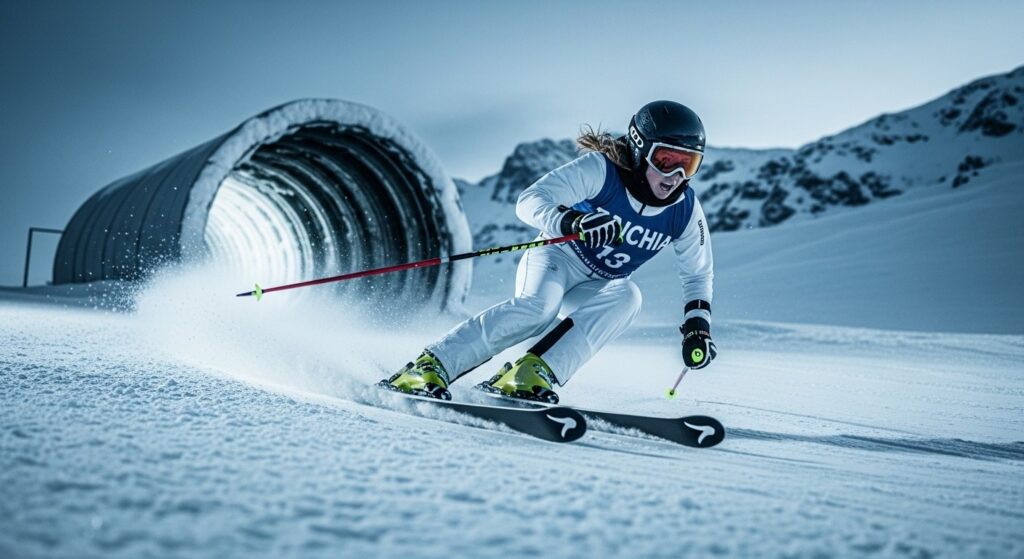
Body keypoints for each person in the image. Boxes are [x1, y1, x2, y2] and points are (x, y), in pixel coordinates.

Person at [381, 100, 717, 403]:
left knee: (629, 296)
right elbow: (529, 200)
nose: (674, 177)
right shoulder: (601, 171)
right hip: (556, 259)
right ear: (640, 149)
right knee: (538, 308)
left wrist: (697, 326)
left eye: (687, 165)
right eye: (665, 160)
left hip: (597, 283)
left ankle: (530, 373)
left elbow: (698, 273)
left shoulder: (685, 211)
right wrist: (573, 221)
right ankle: (429, 365)